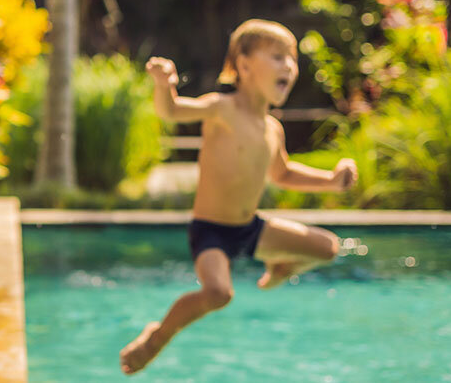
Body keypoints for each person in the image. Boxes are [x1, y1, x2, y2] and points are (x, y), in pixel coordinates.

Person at [118, 19, 358, 375]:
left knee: (329, 248)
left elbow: (283, 174)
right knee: (218, 293)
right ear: (244, 65)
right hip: (212, 230)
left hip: (251, 228)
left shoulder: (272, 128)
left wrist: (333, 181)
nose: (288, 67)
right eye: (277, 57)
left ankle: (281, 266)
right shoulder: (222, 108)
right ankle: (157, 337)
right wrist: (163, 84)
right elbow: (172, 111)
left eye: (291, 60)